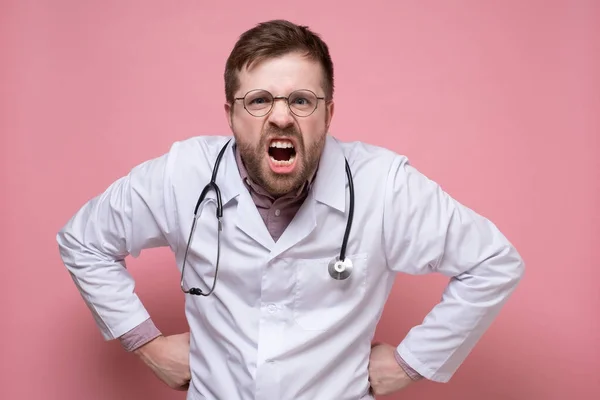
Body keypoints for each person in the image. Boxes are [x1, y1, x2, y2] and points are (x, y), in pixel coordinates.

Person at [56, 19, 525, 400]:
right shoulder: (182, 174)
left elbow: (493, 262)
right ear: (230, 115)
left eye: (301, 100)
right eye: (259, 100)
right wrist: (146, 343)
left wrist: (413, 362)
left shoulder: (384, 186)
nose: (281, 116)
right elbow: (83, 240)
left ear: (329, 113)